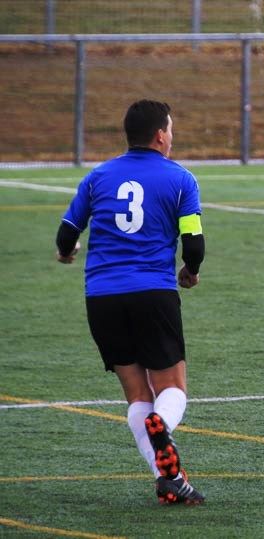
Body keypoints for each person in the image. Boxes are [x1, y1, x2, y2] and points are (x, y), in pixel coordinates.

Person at [55, 99, 205, 505]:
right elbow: (194, 242)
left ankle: (168, 480)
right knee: (171, 388)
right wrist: (190, 272)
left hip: (102, 297)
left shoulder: (98, 176)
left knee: (137, 392)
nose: (171, 136)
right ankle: (163, 425)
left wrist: (67, 252)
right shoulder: (181, 179)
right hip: (153, 292)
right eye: (170, 129)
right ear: (160, 135)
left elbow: (67, 230)